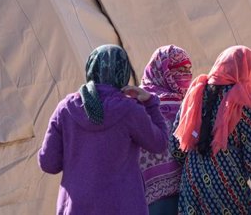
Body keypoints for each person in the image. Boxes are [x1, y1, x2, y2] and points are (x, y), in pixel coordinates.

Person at [38, 44, 169, 214]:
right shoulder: (130, 110)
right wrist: (150, 103)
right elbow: (159, 144)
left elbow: (48, 164)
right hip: (123, 207)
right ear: (124, 72)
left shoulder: (65, 109)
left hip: (76, 208)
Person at [170, 45, 251, 215]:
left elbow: (176, 146)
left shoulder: (196, 91)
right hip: (227, 184)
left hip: (192, 184)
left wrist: (199, 163)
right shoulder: (243, 99)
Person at [139, 45, 193, 215]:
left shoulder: (189, 104)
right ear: (162, 71)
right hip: (147, 198)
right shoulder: (138, 103)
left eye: (188, 69)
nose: (185, 75)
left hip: (184, 195)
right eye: (178, 69)